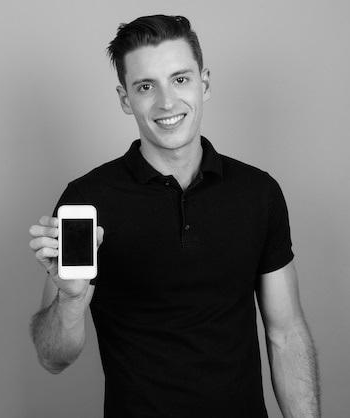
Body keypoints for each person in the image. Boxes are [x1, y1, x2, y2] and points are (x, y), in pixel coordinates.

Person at [28, 15, 320, 417]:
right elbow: (52, 357)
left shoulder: (258, 192)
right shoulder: (87, 199)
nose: (166, 102)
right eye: (146, 86)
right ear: (125, 98)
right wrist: (72, 299)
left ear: (205, 83)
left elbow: (286, 335)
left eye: (180, 79)